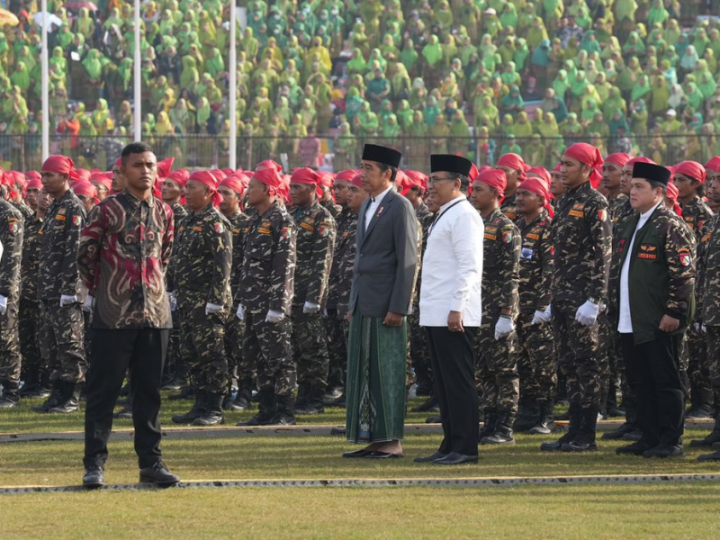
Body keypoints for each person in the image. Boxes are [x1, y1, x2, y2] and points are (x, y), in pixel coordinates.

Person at [79, 142, 179, 488]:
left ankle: (151, 463)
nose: (146, 171)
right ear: (123, 171)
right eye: (138, 165)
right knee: (103, 392)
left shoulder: (165, 212)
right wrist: (105, 290)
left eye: (150, 164)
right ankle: (94, 464)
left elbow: (164, 256)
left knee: (149, 393)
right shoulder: (105, 211)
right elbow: (86, 256)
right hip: (113, 314)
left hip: (154, 314)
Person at [612, 162, 695, 458]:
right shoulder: (632, 222)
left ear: (658, 192)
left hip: (659, 319)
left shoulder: (669, 225)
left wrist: (674, 312)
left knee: (665, 380)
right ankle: (648, 436)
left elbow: (683, 276)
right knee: (639, 381)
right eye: (632, 186)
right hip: (631, 318)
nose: (632, 192)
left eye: (639, 187)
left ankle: (670, 440)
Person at [343, 144, 418, 459]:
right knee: (365, 373)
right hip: (365, 302)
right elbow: (361, 259)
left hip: (387, 306)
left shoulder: (399, 206)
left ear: (388, 173)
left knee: (386, 371)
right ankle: (373, 438)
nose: (362, 174)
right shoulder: (368, 205)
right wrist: (352, 304)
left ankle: (391, 441)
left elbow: (408, 261)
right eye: (362, 167)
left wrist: (399, 307)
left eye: (369, 168)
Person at [541, 143, 612, 453]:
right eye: (561, 163)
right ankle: (573, 431)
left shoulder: (595, 202)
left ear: (586, 169)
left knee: (588, 366)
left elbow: (604, 253)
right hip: (564, 297)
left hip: (583, 299)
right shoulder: (566, 201)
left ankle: (587, 434)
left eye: (569, 164)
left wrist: (595, 299)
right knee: (569, 365)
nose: (561, 169)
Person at [416, 154, 483, 465]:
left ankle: (466, 446)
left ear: (457, 184)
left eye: (436, 181)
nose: (431, 186)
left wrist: (457, 307)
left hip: (453, 313)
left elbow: (469, 267)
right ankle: (449, 442)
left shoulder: (464, 215)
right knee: (444, 384)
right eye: (430, 180)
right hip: (436, 311)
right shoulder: (445, 213)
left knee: (458, 382)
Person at [236, 164, 298, 426]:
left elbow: (284, 265)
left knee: (279, 358)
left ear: (268, 189)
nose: (247, 191)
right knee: (258, 357)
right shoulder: (254, 220)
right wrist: (242, 300)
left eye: (252, 186)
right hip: (252, 302)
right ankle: (267, 408)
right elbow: (247, 264)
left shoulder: (282, 220)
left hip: (271, 304)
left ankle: (284, 411)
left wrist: (278, 305)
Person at [170, 170, 232, 426]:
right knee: (191, 352)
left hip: (207, 302)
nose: (185, 192)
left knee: (211, 354)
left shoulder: (215, 222)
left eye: (191, 187)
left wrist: (216, 299)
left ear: (208, 192)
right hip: (187, 300)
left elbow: (223, 264)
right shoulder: (186, 221)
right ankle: (200, 403)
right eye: (185, 187)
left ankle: (215, 407)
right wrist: (172, 289)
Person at [468, 168, 521, 445]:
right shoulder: (476, 223)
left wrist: (506, 313)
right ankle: (489, 422)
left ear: (496, 194)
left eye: (479, 190)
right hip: (477, 308)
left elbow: (511, 274)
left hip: (496, 309)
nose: (473, 194)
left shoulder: (506, 228)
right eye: (473, 189)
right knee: (485, 370)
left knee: (504, 370)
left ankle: (505, 426)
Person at [33, 156, 87, 414]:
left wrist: (70, 290)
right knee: (51, 345)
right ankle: (57, 394)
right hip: (49, 290)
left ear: (64, 177)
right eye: (42, 175)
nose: (44, 181)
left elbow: (75, 252)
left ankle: (72, 396)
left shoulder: (73, 208)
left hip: (65, 292)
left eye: (49, 175)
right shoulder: (54, 207)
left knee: (70, 345)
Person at [288, 167, 336, 414]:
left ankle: (315, 399)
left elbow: (323, 260)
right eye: (291, 186)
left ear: (312, 188)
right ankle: (303, 394)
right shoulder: (292, 214)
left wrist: (315, 297)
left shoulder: (322, 217)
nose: (292, 191)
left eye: (298, 187)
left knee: (314, 349)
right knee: (298, 347)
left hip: (308, 293)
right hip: (291, 293)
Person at [513, 176, 556, 435]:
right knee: (523, 362)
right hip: (517, 307)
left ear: (541, 200)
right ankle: (527, 412)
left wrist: (544, 305)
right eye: (517, 194)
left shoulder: (547, 228)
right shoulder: (516, 227)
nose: (518, 199)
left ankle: (546, 415)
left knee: (543, 363)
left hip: (537, 310)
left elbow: (550, 271)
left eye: (525, 195)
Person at [673, 160, 714, 419]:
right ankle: (696, 400)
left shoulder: (702, 213)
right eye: (674, 179)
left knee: (701, 351)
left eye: (681, 180)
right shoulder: (679, 210)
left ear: (696, 184)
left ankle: (704, 403)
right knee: (690, 349)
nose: (676, 184)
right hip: (687, 287)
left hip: (702, 289)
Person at [217, 175, 251, 411]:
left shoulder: (246, 224)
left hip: (239, 293)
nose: (221, 197)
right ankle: (225, 389)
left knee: (240, 346)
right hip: (220, 294)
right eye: (219, 192)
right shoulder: (216, 221)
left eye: (227, 192)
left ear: (239, 197)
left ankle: (243, 393)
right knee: (221, 346)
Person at [324, 170, 357, 405]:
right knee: (338, 347)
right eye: (335, 187)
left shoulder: (360, 217)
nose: (338, 192)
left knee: (352, 347)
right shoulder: (341, 217)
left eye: (344, 187)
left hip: (351, 295)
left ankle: (352, 392)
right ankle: (345, 389)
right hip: (336, 293)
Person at [0, 173, 22, 409]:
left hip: (3, 287)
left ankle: (11, 391)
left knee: (6, 340)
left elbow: (13, 256)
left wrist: (4, 291)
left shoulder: (9, 214)